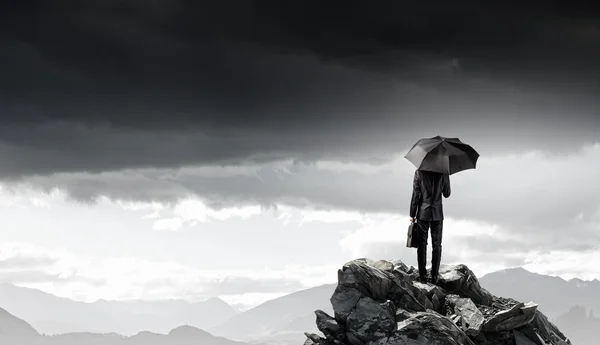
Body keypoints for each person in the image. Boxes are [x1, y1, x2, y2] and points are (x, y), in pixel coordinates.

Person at [409, 169, 451, 284]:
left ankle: (422, 275)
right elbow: (447, 193)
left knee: (422, 244)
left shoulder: (419, 171)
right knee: (437, 245)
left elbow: (416, 194)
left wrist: (412, 214)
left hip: (423, 213)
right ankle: (434, 276)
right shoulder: (443, 171)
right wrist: (445, 178)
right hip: (437, 214)